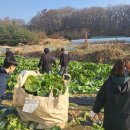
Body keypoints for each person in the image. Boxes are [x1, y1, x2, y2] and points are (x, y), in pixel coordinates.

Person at [90, 59, 130, 130]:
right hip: (127, 122)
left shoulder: (108, 82)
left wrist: (95, 110)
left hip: (110, 122)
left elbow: (100, 99)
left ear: (115, 68)